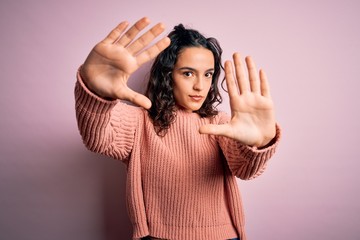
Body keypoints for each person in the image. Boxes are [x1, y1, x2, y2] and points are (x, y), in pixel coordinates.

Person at [75, 17, 280, 240]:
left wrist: (260, 143)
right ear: (167, 75)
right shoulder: (140, 121)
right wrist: (95, 92)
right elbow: (98, 138)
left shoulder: (221, 124)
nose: (200, 86)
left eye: (208, 74)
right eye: (188, 73)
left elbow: (246, 170)